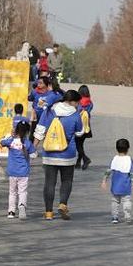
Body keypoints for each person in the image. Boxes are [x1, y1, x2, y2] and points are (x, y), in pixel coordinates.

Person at [34, 89, 85, 220]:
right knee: (66, 181)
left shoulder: (50, 110)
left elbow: (40, 131)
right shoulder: (75, 115)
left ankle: (49, 213)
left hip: (49, 153)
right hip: (67, 154)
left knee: (49, 183)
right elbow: (80, 132)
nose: (77, 105)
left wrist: (33, 148)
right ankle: (63, 204)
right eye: (77, 103)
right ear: (72, 101)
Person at [1, 121, 36, 220]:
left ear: (16, 130)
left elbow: (2, 141)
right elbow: (34, 155)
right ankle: (21, 205)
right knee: (22, 191)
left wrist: (9, 135)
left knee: (12, 192)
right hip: (23, 172)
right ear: (27, 132)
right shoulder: (27, 143)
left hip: (12, 172)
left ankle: (11, 212)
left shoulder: (11, 141)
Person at [101, 138, 133, 224]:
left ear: (116, 148)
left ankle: (115, 217)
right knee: (126, 201)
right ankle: (127, 216)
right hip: (125, 186)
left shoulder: (114, 159)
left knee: (115, 201)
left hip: (115, 186)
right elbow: (132, 172)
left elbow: (108, 171)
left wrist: (104, 181)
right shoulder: (129, 160)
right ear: (128, 149)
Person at [76, 85, 94, 170]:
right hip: (86, 125)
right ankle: (78, 162)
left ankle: (85, 159)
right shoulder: (90, 102)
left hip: (79, 124)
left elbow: (77, 111)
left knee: (77, 144)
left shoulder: (78, 102)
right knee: (81, 144)